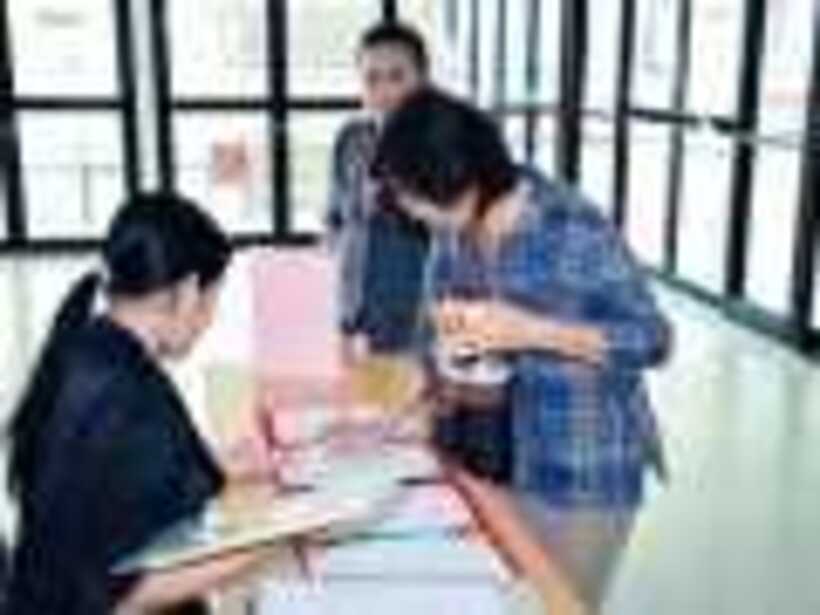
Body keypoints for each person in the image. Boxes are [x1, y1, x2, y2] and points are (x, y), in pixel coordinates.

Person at [372, 89, 672, 611]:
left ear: (462, 178)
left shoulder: (570, 226)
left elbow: (653, 339)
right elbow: (433, 335)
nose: (412, 212)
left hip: (583, 468)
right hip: (492, 456)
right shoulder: (453, 230)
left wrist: (532, 331)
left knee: (560, 603)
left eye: (416, 197)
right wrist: (425, 396)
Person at [6, 193, 279, 615]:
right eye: (212, 301)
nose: (209, 320)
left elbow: (123, 483)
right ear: (188, 291)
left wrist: (219, 464)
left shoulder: (96, 348)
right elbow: (126, 593)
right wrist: (277, 541)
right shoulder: (125, 399)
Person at [326, 21, 431, 361]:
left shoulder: (441, 145)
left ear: (423, 81)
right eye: (371, 79)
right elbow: (336, 219)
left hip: (414, 318)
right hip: (351, 313)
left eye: (397, 77)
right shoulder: (351, 138)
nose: (384, 91)